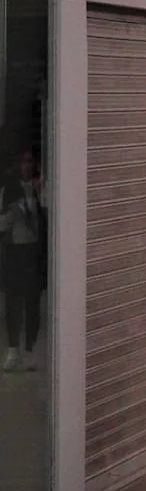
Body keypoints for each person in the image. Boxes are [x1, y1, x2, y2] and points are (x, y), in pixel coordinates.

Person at [0, 148, 46, 372]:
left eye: (30, 161)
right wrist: (11, 216)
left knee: (32, 305)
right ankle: (12, 350)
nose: (26, 166)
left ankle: (29, 350)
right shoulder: (9, 190)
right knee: (13, 303)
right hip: (14, 252)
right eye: (23, 161)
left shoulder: (41, 188)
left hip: (34, 252)